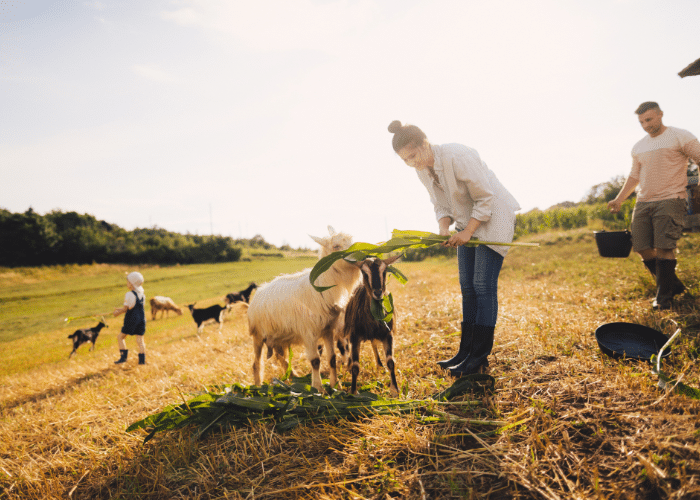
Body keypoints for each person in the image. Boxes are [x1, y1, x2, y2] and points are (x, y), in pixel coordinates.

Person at [388, 120, 521, 376]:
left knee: (483, 286)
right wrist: (443, 230)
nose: (412, 162)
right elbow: (439, 204)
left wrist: (468, 232)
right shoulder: (422, 170)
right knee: (467, 287)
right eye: (405, 160)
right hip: (465, 223)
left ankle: (479, 358)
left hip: (493, 218)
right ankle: (465, 351)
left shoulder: (457, 155)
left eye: (413, 155)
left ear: (425, 143)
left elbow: (485, 198)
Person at [608, 102, 700, 310]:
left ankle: (663, 298)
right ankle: (672, 284)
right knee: (641, 247)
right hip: (643, 201)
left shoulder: (680, 136)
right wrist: (619, 199)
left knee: (665, 247)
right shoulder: (639, 146)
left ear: (660, 115)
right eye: (641, 122)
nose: (645, 125)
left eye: (649, 120)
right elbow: (634, 176)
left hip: (671, 198)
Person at [112, 271, 147, 364]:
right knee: (140, 339)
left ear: (132, 283)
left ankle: (123, 358)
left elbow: (126, 309)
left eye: (128, 282)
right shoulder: (142, 295)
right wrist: (120, 309)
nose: (127, 284)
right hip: (141, 319)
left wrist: (117, 313)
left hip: (131, 319)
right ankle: (142, 361)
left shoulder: (129, 294)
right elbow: (135, 306)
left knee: (121, 337)